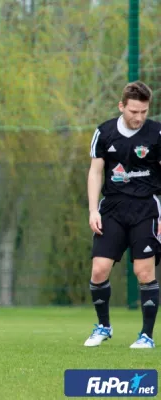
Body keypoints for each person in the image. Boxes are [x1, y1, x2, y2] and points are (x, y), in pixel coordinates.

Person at [85, 81, 161, 349]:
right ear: (122, 106)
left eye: (143, 112)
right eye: (133, 112)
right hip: (113, 208)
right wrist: (94, 209)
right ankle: (103, 327)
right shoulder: (104, 133)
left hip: (146, 208)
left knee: (143, 272)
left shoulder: (157, 133)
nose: (139, 117)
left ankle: (146, 336)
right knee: (99, 270)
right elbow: (95, 172)